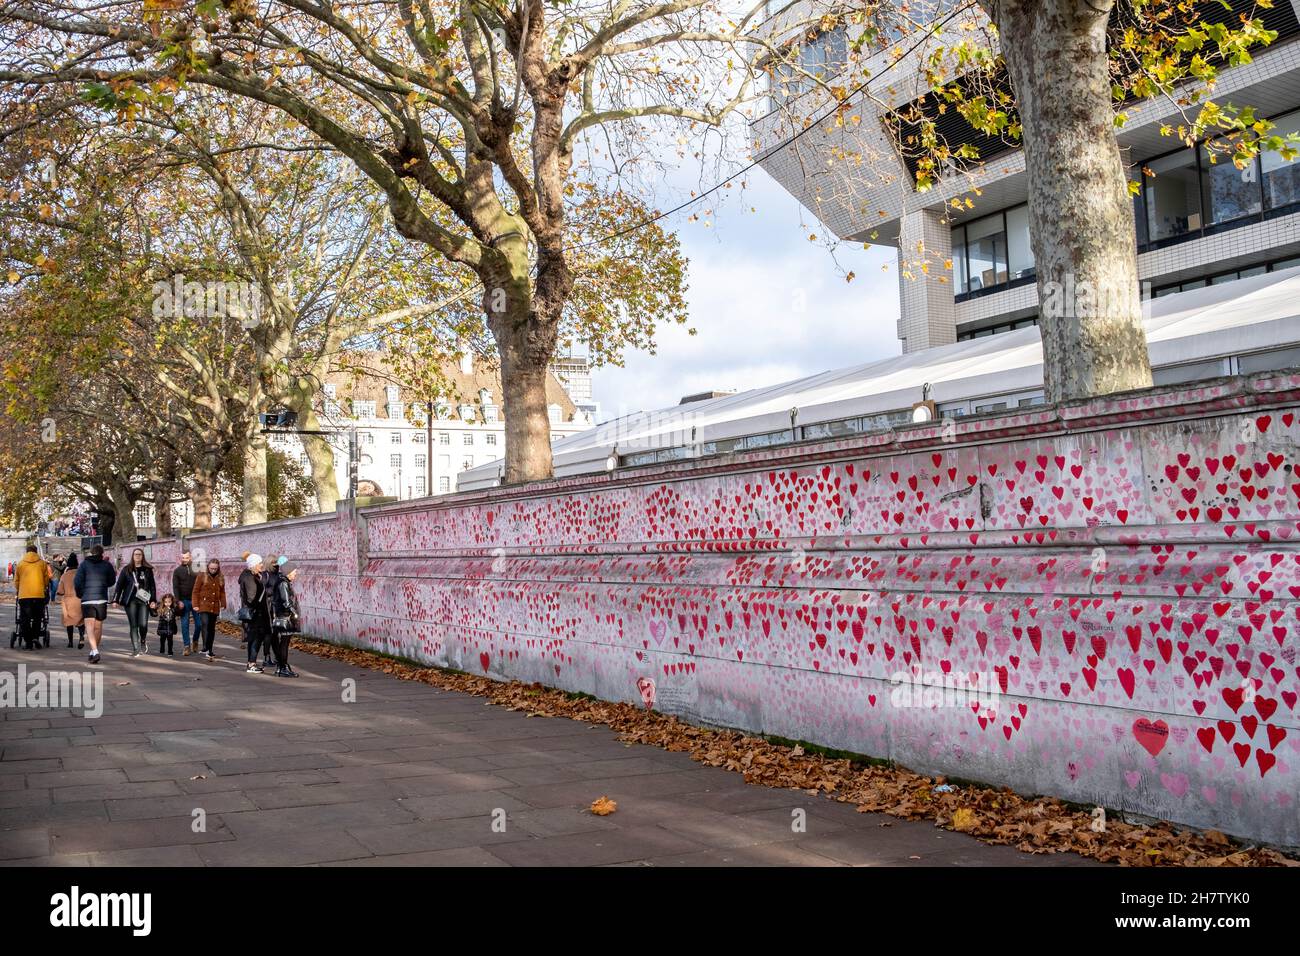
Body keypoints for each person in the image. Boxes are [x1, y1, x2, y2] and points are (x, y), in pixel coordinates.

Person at [74, 544, 115, 664]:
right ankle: (93, 651)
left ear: (91, 553)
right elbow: (112, 581)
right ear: (102, 553)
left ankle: (95, 651)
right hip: (101, 599)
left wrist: (80, 594)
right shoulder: (107, 565)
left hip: (87, 599)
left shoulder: (84, 565)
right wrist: (103, 585)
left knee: (89, 628)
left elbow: (77, 582)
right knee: (98, 626)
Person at [113, 548, 158, 657]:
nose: (137, 556)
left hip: (144, 600)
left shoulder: (147, 570)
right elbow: (119, 586)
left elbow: (152, 586)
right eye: (135, 554)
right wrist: (115, 600)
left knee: (143, 624)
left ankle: (143, 639)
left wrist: (153, 600)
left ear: (143, 556)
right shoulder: (126, 570)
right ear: (132, 556)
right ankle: (136, 648)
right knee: (133, 625)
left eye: (140, 554)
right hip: (130, 600)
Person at [13, 545, 52, 650]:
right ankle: (35, 637)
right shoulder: (42, 563)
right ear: (36, 551)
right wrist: (43, 587)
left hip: (24, 595)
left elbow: (16, 581)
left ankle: (28, 641)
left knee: (24, 619)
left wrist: (19, 588)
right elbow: (46, 580)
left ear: (26, 552)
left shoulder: (21, 564)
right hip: (38, 594)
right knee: (37, 618)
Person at [267, 560, 301, 678]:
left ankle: (281, 667)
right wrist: (294, 613)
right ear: (289, 572)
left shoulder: (283, 581)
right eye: (294, 571)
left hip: (283, 616)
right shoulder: (283, 583)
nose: (296, 574)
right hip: (285, 617)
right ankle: (283, 667)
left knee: (282, 642)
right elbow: (286, 602)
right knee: (284, 643)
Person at [238, 554, 270, 674]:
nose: (261, 565)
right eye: (259, 563)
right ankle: (252, 663)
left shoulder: (251, 576)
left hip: (254, 613)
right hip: (255, 614)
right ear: (253, 565)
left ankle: (251, 662)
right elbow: (252, 598)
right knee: (256, 638)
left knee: (253, 638)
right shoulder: (249, 578)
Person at [191, 557, 226, 662]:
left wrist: (223, 603)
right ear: (208, 567)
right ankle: (205, 646)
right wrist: (195, 604)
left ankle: (209, 649)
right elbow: (195, 591)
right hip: (203, 605)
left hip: (214, 606)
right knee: (204, 624)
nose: (213, 570)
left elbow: (222, 592)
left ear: (218, 568)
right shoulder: (202, 576)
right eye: (211, 568)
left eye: (215, 569)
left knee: (211, 628)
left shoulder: (220, 577)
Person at [171, 550, 199, 656]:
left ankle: (195, 641)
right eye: (183, 558)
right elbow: (175, 587)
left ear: (190, 557)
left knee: (199, 624)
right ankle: (186, 646)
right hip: (184, 601)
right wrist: (178, 601)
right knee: (184, 624)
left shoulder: (197, 569)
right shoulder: (177, 571)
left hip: (196, 600)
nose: (184, 560)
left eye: (186, 558)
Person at [56, 552, 85, 649]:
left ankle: (70, 642)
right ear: (77, 564)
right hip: (80, 599)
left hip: (68, 601)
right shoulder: (81, 574)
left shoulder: (64, 576)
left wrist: (59, 594)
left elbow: (60, 591)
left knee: (69, 621)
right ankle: (81, 637)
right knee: (81, 621)